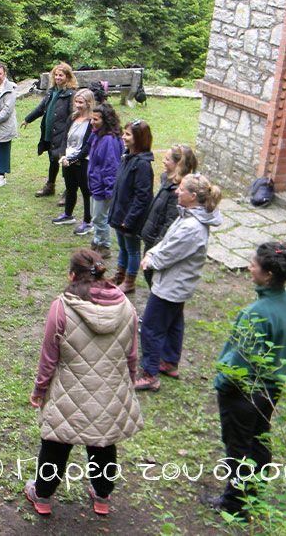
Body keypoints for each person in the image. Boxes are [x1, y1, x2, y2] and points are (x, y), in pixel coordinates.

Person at [25, 249, 142, 518]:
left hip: (69, 390)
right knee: (104, 442)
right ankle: (102, 495)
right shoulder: (126, 306)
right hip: (111, 390)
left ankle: (42, 495)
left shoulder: (62, 307)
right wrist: (130, 381)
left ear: (72, 275)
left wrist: (39, 389)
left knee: (55, 444)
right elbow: (132, 352)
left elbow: (48, 357)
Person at [207, 242, 286, 520]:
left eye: (254, 265)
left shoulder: (256, 313)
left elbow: (241, 362)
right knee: (259, 441)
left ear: (268, 274)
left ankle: (233, 505)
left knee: (237, 447)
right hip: (272, 389)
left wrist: (222, 384)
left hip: (244, 393)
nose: (250, 267)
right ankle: (254, 495)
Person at [135, 174, 223, 391]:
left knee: (150, 327)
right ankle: (169, 362)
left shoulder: (192, 226)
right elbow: (167, 241)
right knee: (174, 323)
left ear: (193, 196)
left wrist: (151, 259)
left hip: (172, 286)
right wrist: (153, 253)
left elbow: (170, 252)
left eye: (181, 189)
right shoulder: (188, 216)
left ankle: (149, 374)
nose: (176, 191)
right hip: (178, 283)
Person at [140, 144, 198, 287]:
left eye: (167, 159)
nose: (163, 161)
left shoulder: (177, 192)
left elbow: (169, 225)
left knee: (155, 283)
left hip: (157, 246)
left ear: (178, 164)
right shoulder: (168, 181)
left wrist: (155, 251)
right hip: (152, 242)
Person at [108, 120, 154, 294]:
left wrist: (130, 218)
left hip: (130, 218)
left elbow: (143, 196)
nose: (123, 137)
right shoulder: (128, 157)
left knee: (133, 249)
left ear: (139, 138)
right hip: (120, 214)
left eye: (128, 134)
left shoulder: (142, 164)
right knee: (123, 248)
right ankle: (120, 275)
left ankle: (130, 281)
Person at [21, 63, 77, 198]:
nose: (58, 78)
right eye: (56, 75)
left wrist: (69, 133)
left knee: (65, 162)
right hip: (49, 132)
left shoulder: (71, 94)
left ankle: (68, 192)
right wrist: (28, 119)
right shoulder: (52, 91)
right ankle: (50, 186)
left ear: (68, 77)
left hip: (62, 134)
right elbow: (41, 108)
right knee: (52, 159)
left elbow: (73, 116)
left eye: (61, 75)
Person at [52, 89, 95, 234]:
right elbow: (65, 138)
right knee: (70, 188)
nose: (77, 105)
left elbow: (88, 145)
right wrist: (63, 156)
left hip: (83, 161)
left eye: (81, 102)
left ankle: (88, 222)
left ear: (89, 104)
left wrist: (75, 159)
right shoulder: (72, 118)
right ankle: (68, 215)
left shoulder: (92, 122)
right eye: (76, 102)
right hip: (68, 159)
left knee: (86, 191)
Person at [86, 103, 123, 259]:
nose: (92, 122)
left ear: (106, 120)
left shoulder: (109, 140)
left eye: (96, 119)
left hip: (102, 186)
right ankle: (97, 241)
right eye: (91, 119)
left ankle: (104, 246)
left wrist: (109, 190)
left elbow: (111, 166)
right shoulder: (98, 135)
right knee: (96, 215)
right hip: (96, 184)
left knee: (100, 217)